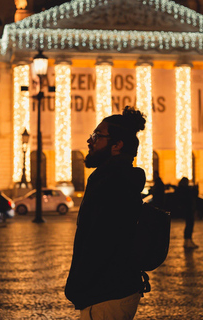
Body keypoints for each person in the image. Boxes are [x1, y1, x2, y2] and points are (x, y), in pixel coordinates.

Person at [65, 106, 146, 320]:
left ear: (117, 145)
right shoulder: (116, 179)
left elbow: (100, 243)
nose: (90, 141)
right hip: (110, 291)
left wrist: (79, 287)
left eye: (97, 136)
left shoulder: (113, 183)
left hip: (107, 294)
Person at [176, 177, 199, 249]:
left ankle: (187, 241)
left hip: (186, 209)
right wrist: (196, 189)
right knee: (189, 225)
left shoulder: (181, 189)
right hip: (189, 209)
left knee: (188, 225)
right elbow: (193, 195)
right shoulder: (186, 190)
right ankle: (188, 241)